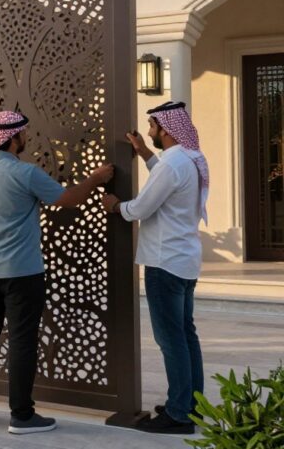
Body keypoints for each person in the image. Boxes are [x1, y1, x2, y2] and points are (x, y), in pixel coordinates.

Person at [0, 111, 114, 435]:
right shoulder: (25, 173)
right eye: (23, 134)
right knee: (21, 340)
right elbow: (70, 199)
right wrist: (95, 179)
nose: (25, 138)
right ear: (14, 138)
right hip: (21, 272)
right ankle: (22, 415)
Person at [102, 101, 208, 435]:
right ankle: (191, 405)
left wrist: (116, 206)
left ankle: (177, 415)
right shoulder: (189, 158)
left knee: (171, 339)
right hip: (184, 259)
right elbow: (167, 182)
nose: (149, 132)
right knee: (186, 335)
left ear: (165, 128)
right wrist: (145, 154)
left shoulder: (173, 164)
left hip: (164, 262)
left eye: (151, 127)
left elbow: (142, 208)